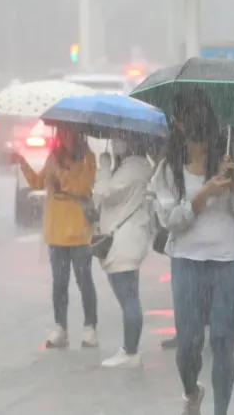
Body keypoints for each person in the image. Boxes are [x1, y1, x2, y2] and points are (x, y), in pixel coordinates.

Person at [150, 90, 234, 415]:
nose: (201, 140)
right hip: (186, 262)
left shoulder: (231, 153)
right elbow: (170, 221)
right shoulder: (168, 169)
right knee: (188, 344)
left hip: (227, 261)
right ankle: (191, 389)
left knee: (223, 340)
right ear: (180, 125)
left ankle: (221, 410)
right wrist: (203, 194)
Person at [13, 125, 98, 348]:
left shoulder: (88, 158)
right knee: (59, 283)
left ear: (78, 134)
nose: (64, 137)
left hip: (79, 232)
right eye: (61, 133)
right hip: (56, 231)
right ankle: (61, 327)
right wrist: (22, 162)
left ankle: (90, 327)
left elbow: (83, 186)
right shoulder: (53, 157)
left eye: (68, 132)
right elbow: (39, 182)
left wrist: (62, 177)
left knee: (84, 281)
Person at [93, 136, 154, 368]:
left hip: (125, 241)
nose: (115, 143)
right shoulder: (134, 166)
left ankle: (130, 350)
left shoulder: (133, 167)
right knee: (128, 296)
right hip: (125, 239)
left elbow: (103, 193)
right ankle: (130, 348)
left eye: (119, 139)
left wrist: (105, 168)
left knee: (128, 298)